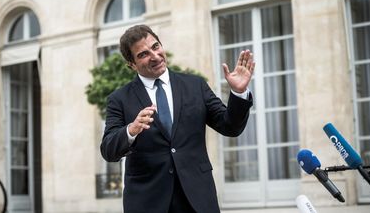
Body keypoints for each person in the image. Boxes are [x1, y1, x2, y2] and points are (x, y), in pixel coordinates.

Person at [100, 25, 255, 213]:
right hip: (147, 202)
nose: (155, 56)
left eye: (156, 47)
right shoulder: (119, 99)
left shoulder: (195, 85)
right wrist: (131, 130)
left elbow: (230, 126)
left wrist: (238, 93)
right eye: (143, 54)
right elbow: (108, 150)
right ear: (131, 64)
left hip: (197, 198)